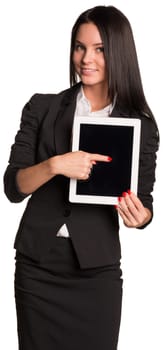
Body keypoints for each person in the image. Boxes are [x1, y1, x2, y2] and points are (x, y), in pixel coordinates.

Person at [3, 5, 159, 350]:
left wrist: (140, 217)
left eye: (99, 49)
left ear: (119, 52)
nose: (86, 58)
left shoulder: (141, 126)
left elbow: (144, 204)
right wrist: (55, 165)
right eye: (79, 47)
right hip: (37, 268)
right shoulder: (41, 107)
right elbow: (13, 187)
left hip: (95, 271)